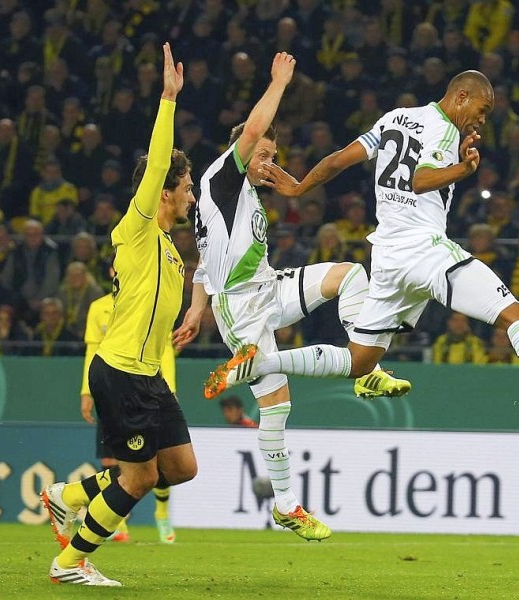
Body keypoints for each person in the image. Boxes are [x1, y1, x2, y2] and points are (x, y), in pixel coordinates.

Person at [214, 70, 519, 430]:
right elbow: (419, 179)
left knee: (360, 362)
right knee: (516, 314)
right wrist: (463, 170)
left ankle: (261, 362)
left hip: (387, 257)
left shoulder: (395, 119)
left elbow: (341, 159)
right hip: (422, 249)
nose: (481, 120)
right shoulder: (444, 129)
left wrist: (300, 187)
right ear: (460, 96)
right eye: (481, 109)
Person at [172, 53, 410, 543]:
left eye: (273, 157)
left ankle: (360, 367)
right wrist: (278, 80)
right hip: (239, 307)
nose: (270, 164)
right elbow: (255, 126)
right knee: (277, 405)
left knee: (349, 274)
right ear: (243, 149)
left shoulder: (233, 198)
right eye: (264, 155)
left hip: (267, 287)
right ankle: (284, 505)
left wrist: (194, 308)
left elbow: (203, 259)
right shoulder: (223, 175)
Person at [41, 43, 196, 587]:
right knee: (136, 478)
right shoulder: (135, 230)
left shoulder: (173, 252)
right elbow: (157, 163)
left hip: (149, 376)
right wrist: (168, 100)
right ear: (165, 194)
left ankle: (66, 495)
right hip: (122, 370)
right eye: (187, 189)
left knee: (181, 468)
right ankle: (69, 563)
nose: (192, 197)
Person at [80, 275, 179, 544]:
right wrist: (86, 391)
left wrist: (169, 388)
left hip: (146, 385)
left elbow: (165, 347)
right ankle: (119, 524)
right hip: (109, 387)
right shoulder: (98, 307)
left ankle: (162, 513)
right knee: (111, 459)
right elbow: (92, 349)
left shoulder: (146, 301)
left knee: (159, 460)